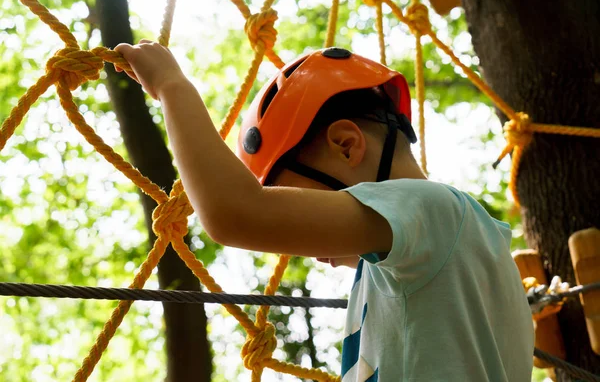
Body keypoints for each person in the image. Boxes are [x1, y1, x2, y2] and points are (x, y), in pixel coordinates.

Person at [115, 41, 534, 381]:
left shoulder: (428, 208)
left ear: (347, 145)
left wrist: (172, 87)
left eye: (292, 196)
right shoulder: (439, 252)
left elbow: (234, 211)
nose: (301, 244)